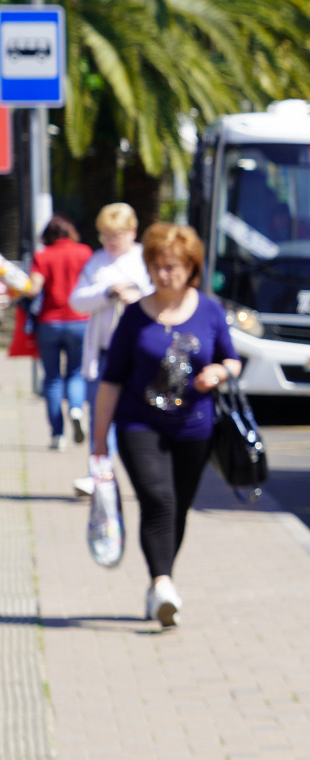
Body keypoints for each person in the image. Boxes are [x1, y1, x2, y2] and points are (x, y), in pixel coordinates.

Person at [91, 223, 241, 628]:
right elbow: (110, 380)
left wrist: (219, 373)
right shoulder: (135, 318)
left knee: (178, 508)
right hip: (139, 423)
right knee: (159, 500)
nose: (163, 274)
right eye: (156, 266)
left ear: (190, 267)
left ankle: (161, 583)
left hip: (195, 427)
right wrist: (98, 440)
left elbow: (232, 356)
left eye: (172, 266)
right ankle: (162, 583)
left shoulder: (209, 310)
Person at [68, 203, 154, 485]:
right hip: (105, 352)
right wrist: (107, 292)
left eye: (115, 235)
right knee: (100, 414)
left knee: (140, 414)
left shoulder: (146, 259)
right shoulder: (97, 260)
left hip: (139, 352)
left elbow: (160, 297)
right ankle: (99, 474)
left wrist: (136, 295)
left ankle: (143, 473)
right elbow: (77, 299)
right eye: (105, 236)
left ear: (132, 231)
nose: (110, 242)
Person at [27, 216, 93, 449]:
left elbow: (33, 288)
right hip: (81, 321)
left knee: (53, 378)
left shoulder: (42, 256)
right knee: (76, 372)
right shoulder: (85, 253)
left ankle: (58, 435)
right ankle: (76, 408)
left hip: (50, 323)